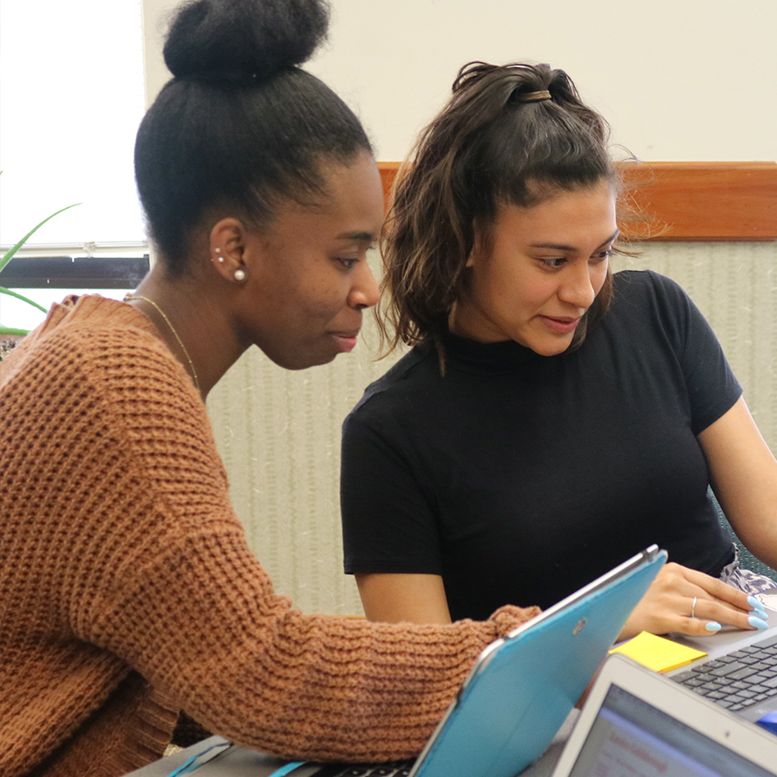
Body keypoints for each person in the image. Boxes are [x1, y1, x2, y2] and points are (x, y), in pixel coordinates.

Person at [0, 9, 541, 777]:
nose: (367, 288)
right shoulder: (116, 385)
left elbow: (200, 649)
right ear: (232, 247)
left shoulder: (91, 342)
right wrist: (525, 647)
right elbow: (265, 670)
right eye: (344, 255)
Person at [340, 61, 777, 641]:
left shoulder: (657, 314)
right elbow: (421, 682)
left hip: (734, 651)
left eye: (600, 254)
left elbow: (769, 519)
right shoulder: (389, 435)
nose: (583, 292)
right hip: (570, 704)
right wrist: (604, 621)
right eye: (552, 261)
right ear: (466, 241)